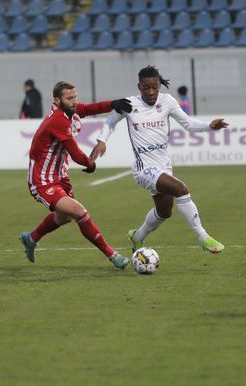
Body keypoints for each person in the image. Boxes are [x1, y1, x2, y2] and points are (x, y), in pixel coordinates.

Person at [92, 66, 227, 254]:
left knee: (164, 212)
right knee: (181, 189)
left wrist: (210, 126)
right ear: (139, 86)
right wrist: (101, 141)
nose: (151, 92)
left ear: (159, 85)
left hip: (163, 166)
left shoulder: (167, 101)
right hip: (143, 169)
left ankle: (137, 237)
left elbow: (188, 123)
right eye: (146, 88)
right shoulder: (129, 104)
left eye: (154, 87)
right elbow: (110, 122)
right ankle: (203, 237)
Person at [19, 81, 133, 269]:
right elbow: (74, 151)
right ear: (57, 100)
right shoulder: (57, 119)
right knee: (80, 212)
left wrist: (113, 104)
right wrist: (90, 163)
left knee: (63, 217)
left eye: (74, 97)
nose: (74, 102)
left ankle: (31, 239)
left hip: (60, 176)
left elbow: (89, 108)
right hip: (42, 181)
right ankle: (113, 255)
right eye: (69, 98)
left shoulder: (69, 111)